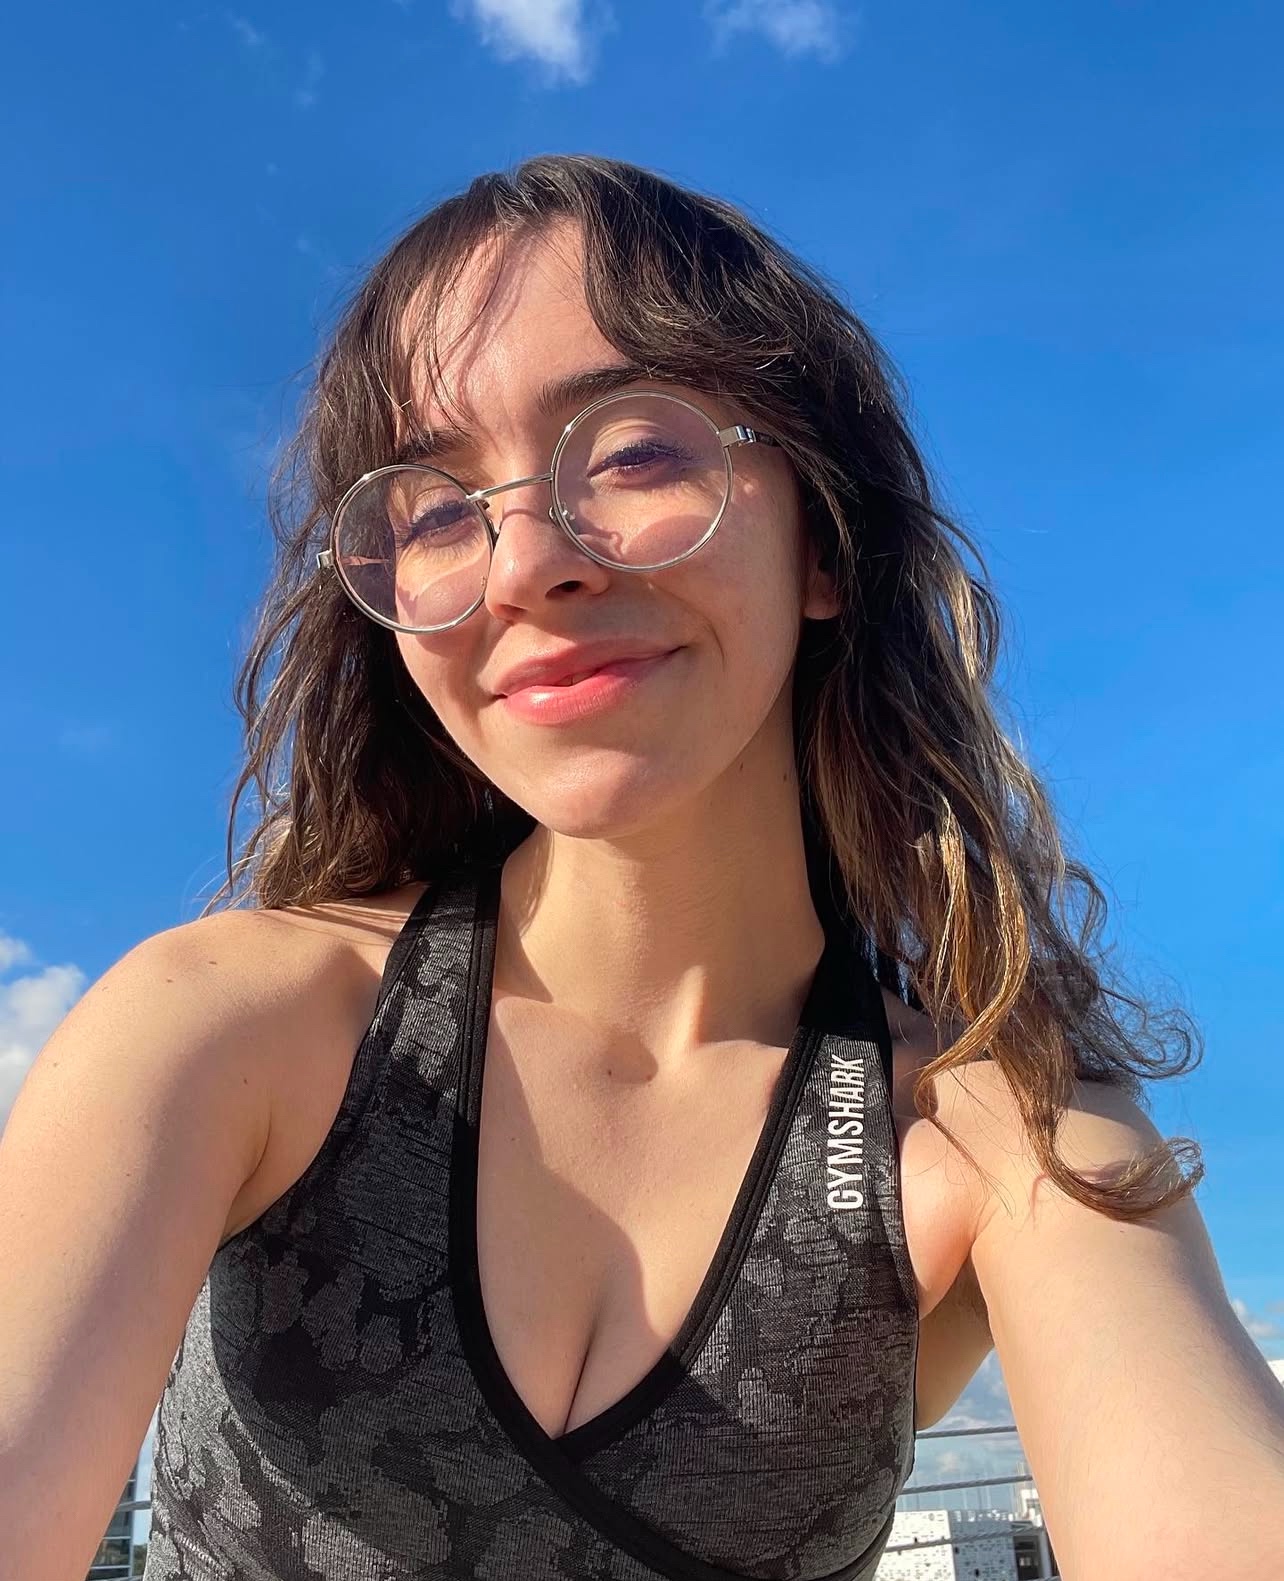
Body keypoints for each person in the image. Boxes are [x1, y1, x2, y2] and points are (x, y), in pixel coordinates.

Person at [3, 155, 1282, 1581]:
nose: (522, 564)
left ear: (822, 541)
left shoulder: (985, 1130)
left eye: (632, 453)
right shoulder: (232, 1024)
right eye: (432, 509)